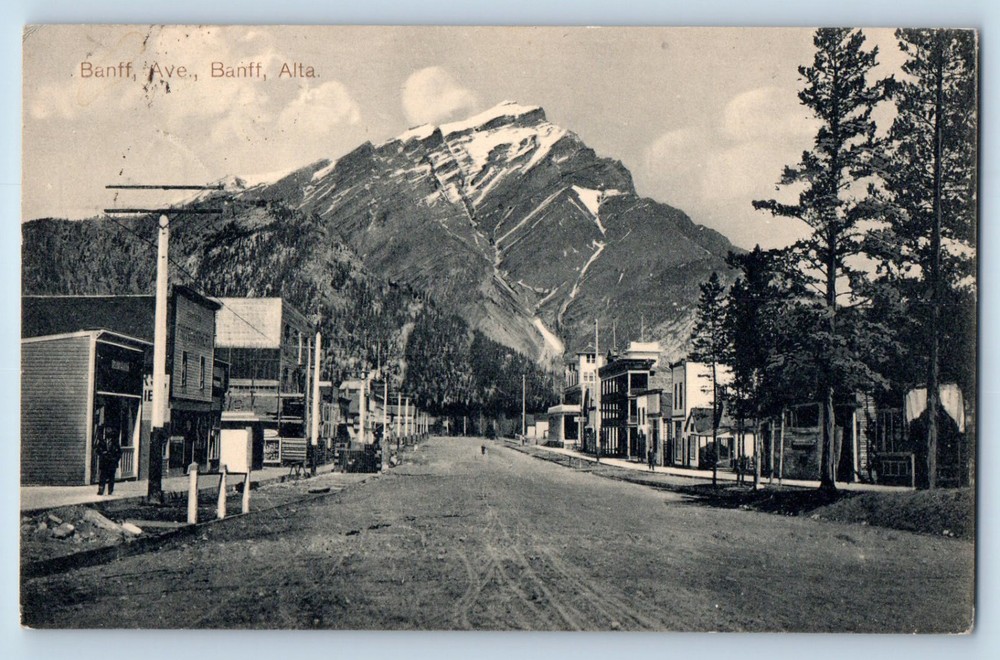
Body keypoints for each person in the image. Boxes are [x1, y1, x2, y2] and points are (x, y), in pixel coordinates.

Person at [96, 430, 122, 496]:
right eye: (108, 435)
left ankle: (110, 490)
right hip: (104, 462)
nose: (109, 436)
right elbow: (97, 450)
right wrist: (102, 453)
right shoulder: (102, 442)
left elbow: (119, 453)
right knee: (102, 477)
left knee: (111, 477)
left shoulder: (115, 443)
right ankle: (101, 490)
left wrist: (115, 459)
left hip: (112, 463)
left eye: (110, 435)